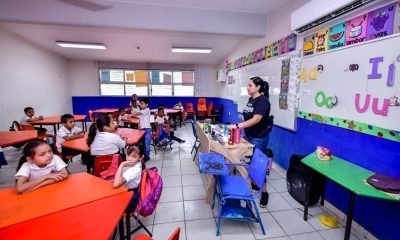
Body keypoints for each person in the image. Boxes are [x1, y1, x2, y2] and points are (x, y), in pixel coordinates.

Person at [229, 76, 271, 208]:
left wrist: (237, 126)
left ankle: (264, 192)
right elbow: (247, 116)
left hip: (259, 137)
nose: (247, 87)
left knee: (258, 165)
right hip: (249, 135)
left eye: (250, 85)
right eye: (247, 85)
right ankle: (252, 184)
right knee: (249, 162)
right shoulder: (251, 99)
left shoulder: (263, 101)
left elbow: (256, 119)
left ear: (258, 87)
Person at [113, 144, 145, 211]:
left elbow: (116, 184)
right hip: (127, 192)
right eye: (128, 155)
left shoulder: (135, 169)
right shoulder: (136, 164)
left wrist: (122, 164)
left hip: (130, 198)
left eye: (134, 156)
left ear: (141, 157)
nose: (129, 158)